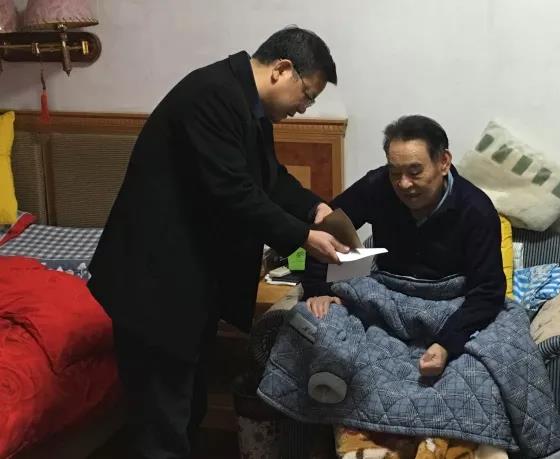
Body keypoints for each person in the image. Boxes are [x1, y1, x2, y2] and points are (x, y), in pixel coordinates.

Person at [87, 27, 349, 459]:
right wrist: (304, 238)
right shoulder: (211, 96)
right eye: (307, 94)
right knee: (162, 421)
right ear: (282, 70)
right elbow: (234, 194)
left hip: (188, 283)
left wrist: (316, 208)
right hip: (154, 283)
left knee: (189, 406)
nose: (304, 108)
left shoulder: (247, 103)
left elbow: (269, 179)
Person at [303, 114, 506, 377]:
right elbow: (325, 230)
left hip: (450, 306)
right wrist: (318, 289)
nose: (404, 184)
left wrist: (446, 344)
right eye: (395, 173)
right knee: (309, 326)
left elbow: (488, 290)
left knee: (497, 355)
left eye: (415, 171)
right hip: (384, 297)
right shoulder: (377, 186)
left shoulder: (476, 209)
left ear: (443, 162)